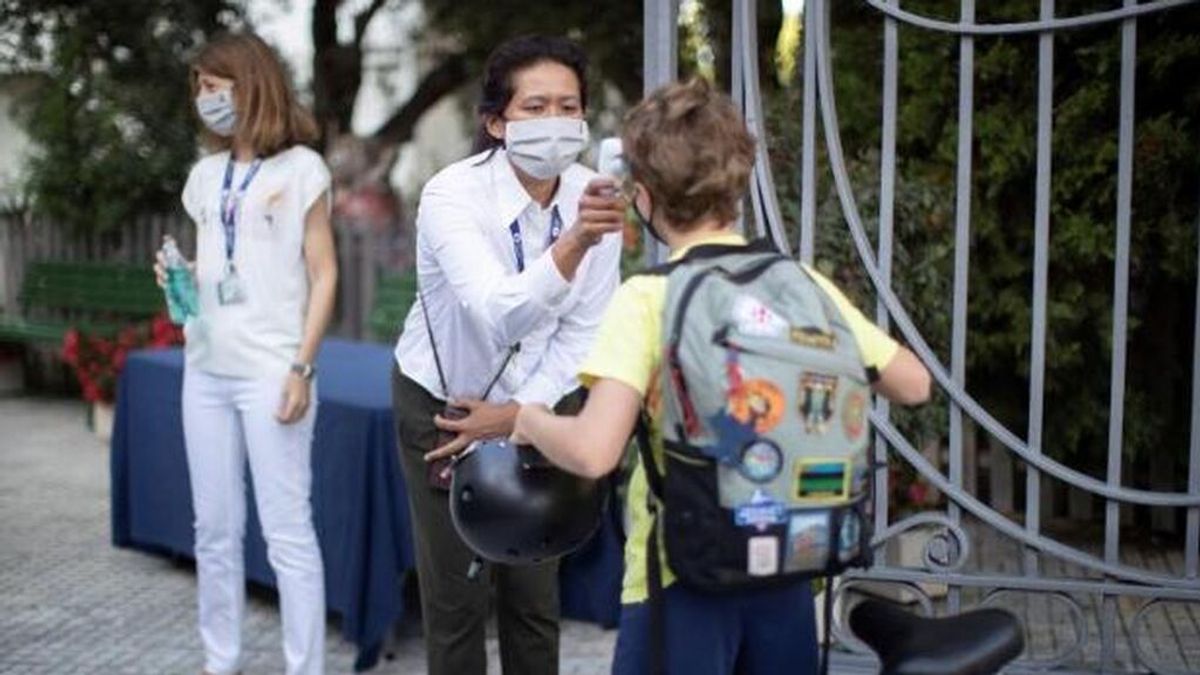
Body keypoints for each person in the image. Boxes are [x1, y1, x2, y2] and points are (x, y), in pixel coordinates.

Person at [511, 78, 932, 675]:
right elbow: (914, 384)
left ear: (645, 197)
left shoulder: (649, 299)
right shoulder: (801, 284)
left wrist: (531, 419)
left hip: (679, 578)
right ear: (736, 188)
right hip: (788, 567)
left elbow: (593, 452)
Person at [389, 35, 625, 675]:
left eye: (568, 106)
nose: (554, 122)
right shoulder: (450, 196)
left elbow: (584, 332)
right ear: (496, 122)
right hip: (443, 406)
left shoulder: (592, 197)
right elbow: (497, 310)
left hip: (540, 405)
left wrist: (522, 415)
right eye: (534, 107)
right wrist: (576, 240)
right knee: (458, 596)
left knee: (533, 592)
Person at [154, 32, 338, 675]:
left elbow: (325, 274)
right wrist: (179, 274)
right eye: (199, 89)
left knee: (286, 532)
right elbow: (223, 262)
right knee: (214, 530)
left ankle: (305, 667)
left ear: (249, 83)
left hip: (271, 372)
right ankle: (219, 662)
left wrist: (302, 367)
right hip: (204, 367)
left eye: (214, 86)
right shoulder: (204, 176)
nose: (204, 99)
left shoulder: (302, 169)